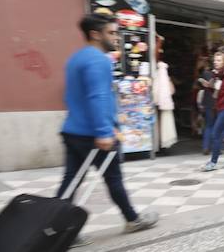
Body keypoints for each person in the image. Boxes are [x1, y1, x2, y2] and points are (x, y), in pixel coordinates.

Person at [56, 14, 159, 233]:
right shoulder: (99, 59)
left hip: (72, 131)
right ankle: (132, 219)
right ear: (95, 34)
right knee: (113, 178)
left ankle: (56, 231)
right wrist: (104, 132)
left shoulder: (75, 59)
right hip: (93, 135)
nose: (116, 37)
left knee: (70, 183)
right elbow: (98, 96)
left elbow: (70, 96)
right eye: (111, 33)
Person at [196, 60, 217, 154]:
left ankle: (206, 147)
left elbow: (199, 83)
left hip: (207, 102)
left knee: (208, 125)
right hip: (216, 102)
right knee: (217, 125)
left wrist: (203, 82)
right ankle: (216, 148)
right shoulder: (216, 75)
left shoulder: (204, 74)